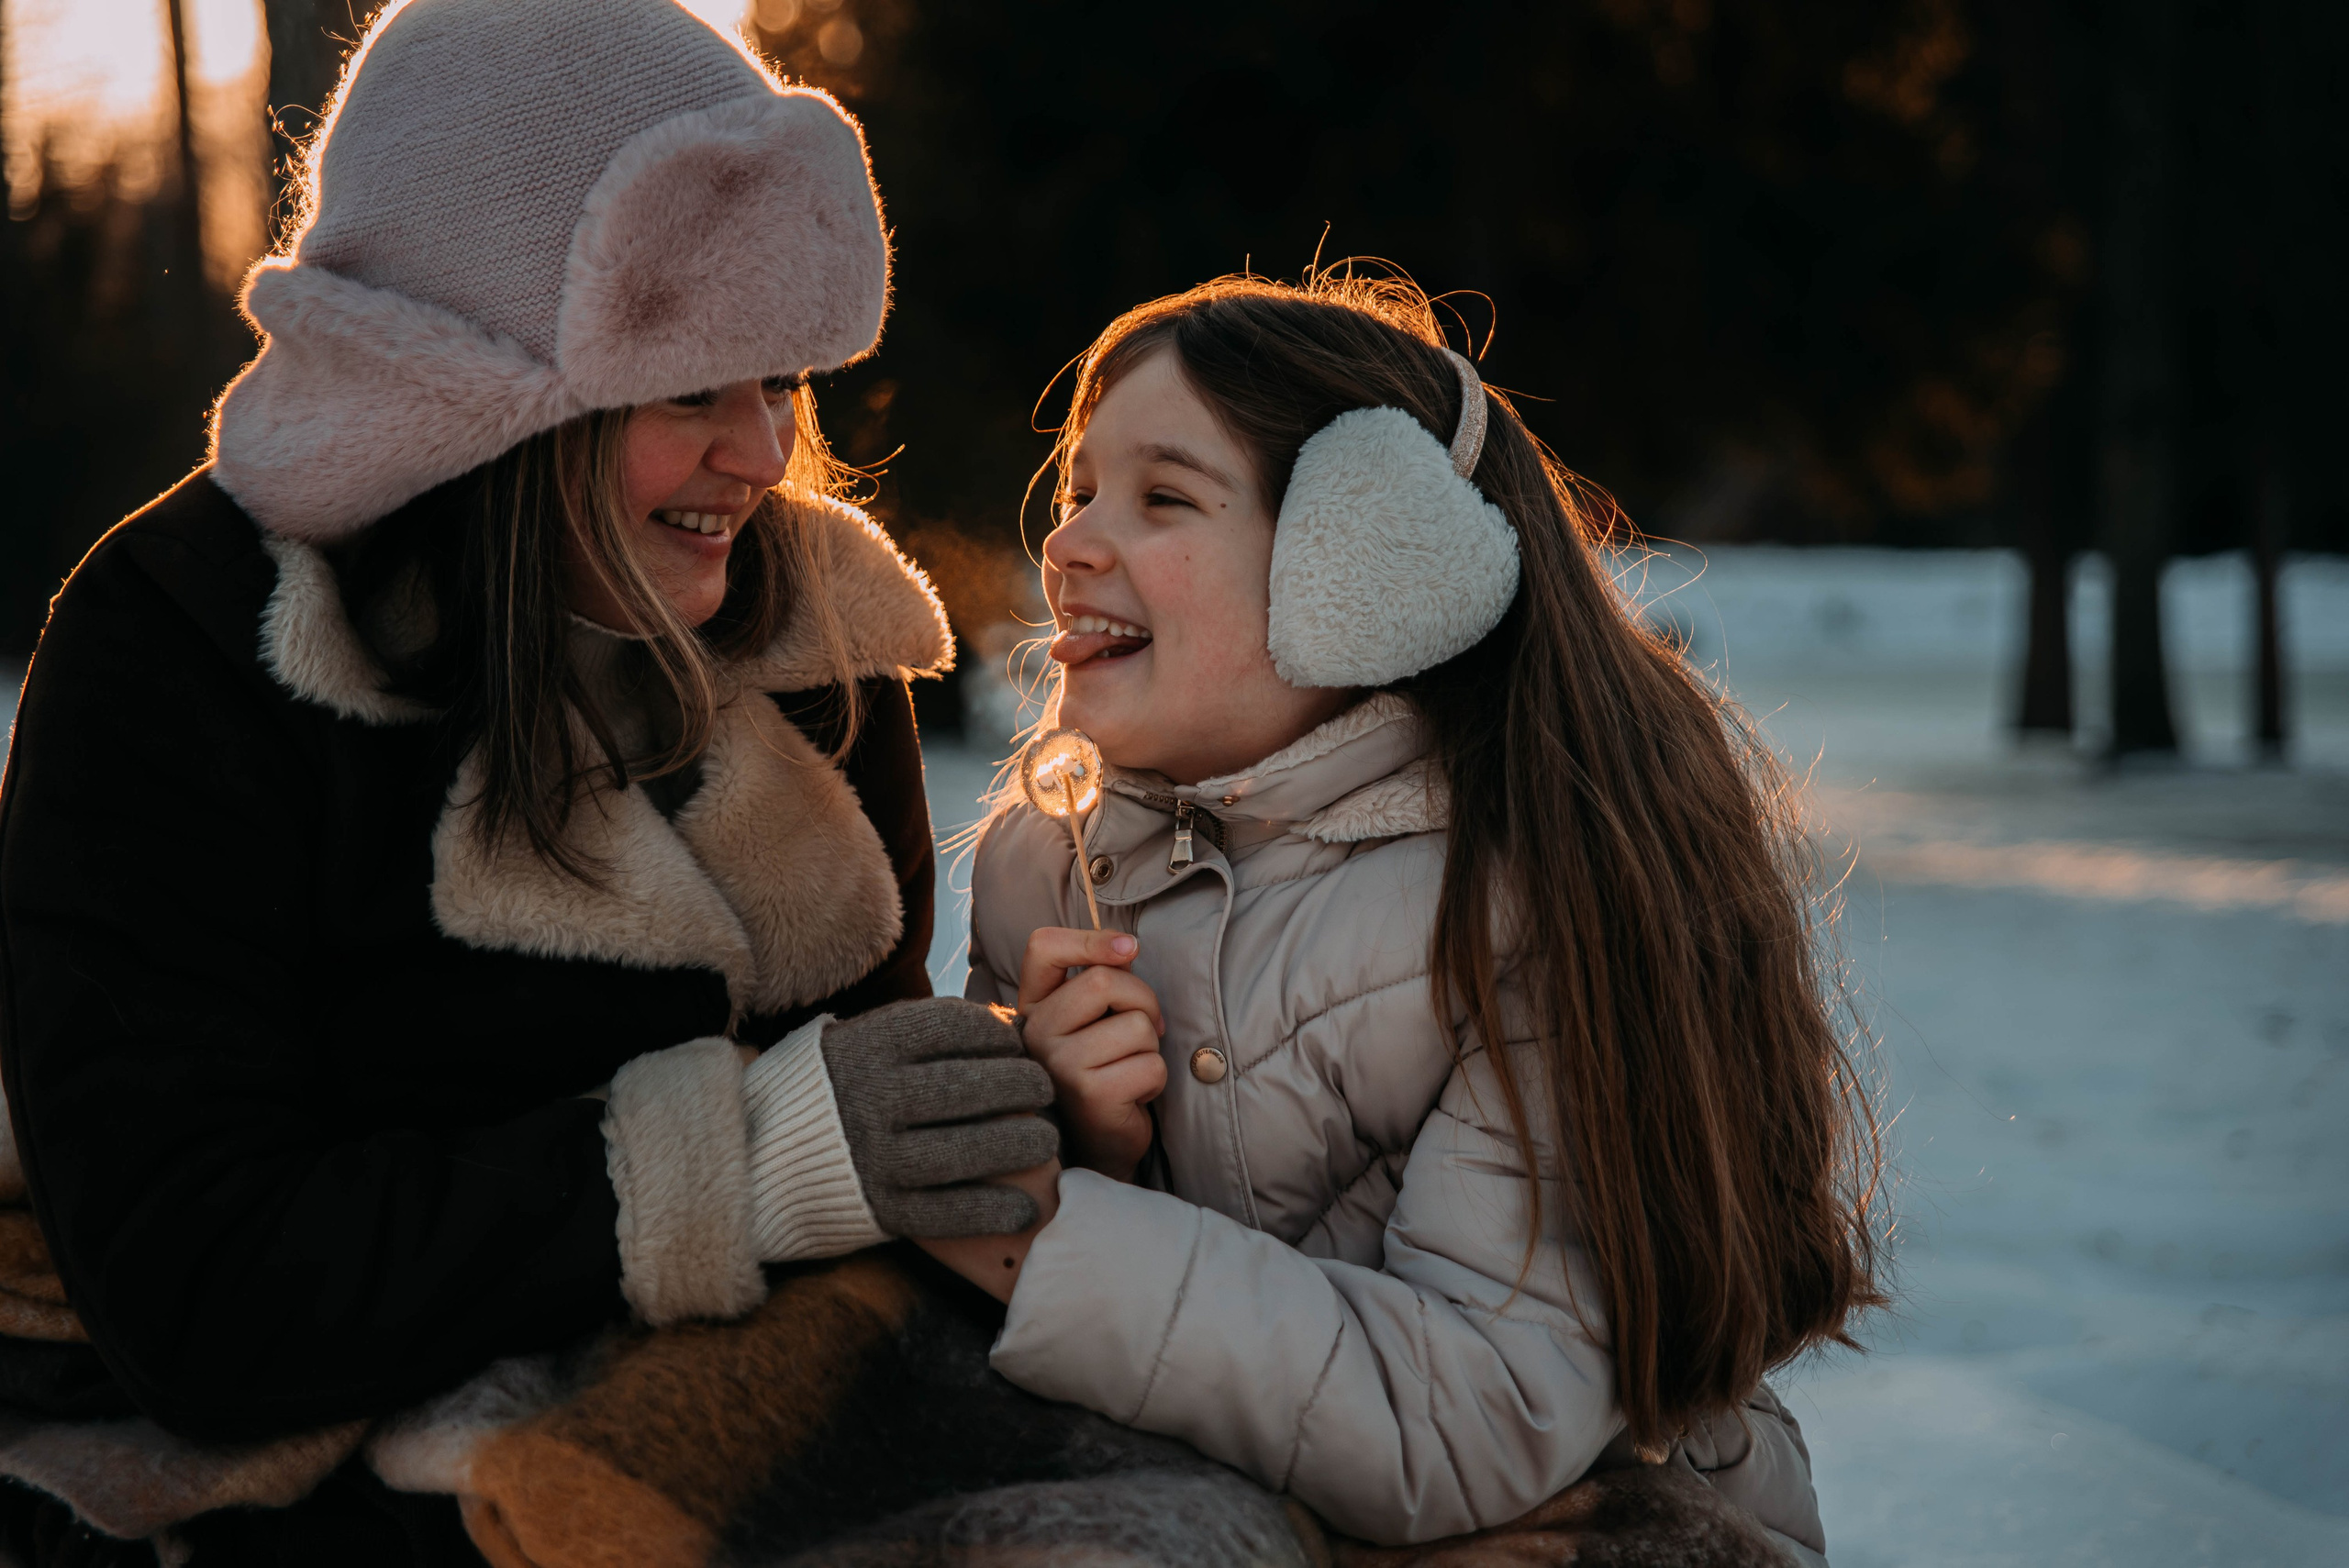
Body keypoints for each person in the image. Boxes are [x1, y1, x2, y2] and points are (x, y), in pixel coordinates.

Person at [0, 1, 1053, 1560]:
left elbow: (870, 1120)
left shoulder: (810, 648)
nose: (764, 455)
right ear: (483, 401)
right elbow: (201, 1289)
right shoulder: (184, 653)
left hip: (720, 1454)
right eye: (695, 390)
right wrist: (742, 1165)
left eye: (782, 384)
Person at [948, 272, 1885, 1558]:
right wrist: (1071, 1133)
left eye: (1163, 497)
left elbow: (1474, 1415)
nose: (1068, 545)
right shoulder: (1041, 876)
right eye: (1078, 494)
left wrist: (1041, 1228)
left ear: (1372, 572)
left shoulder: (1527, 902)